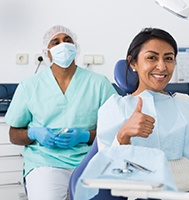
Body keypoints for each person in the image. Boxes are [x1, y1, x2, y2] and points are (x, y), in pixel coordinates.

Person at [75, 27, 189, 199]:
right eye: (151, 57)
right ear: (133, 63)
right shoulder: (115, 108)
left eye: (168, 58)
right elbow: (108, 169)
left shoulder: (187, 103)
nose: (161, 66)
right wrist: (124, 135)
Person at [4, 25, 117, 200]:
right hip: (45, 162)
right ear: (47, 52)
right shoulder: (30, 86)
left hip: (90, 160)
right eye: (55, 42)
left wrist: (85, 136)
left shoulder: (99, 84)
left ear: (76, 47)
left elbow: (116, 131)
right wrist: (34, 133)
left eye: (67, 40)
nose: (62, 45)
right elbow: (13, 134)